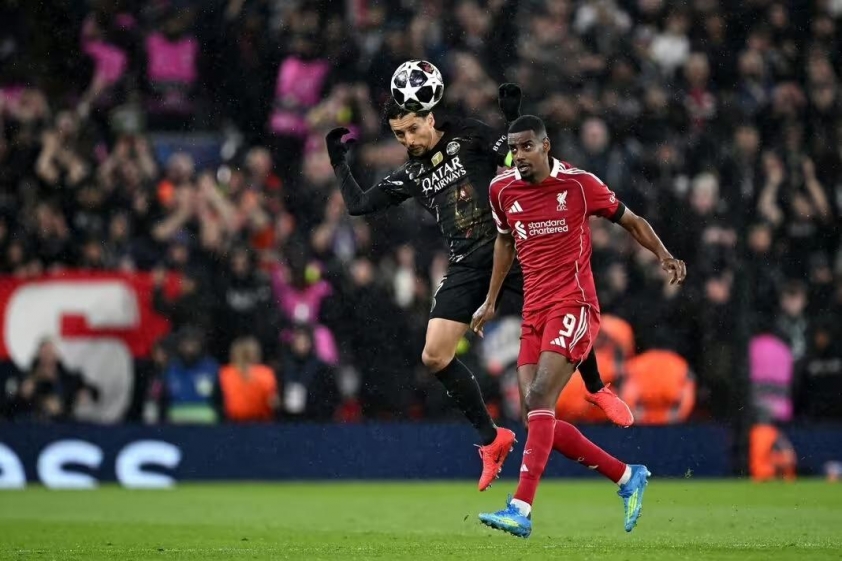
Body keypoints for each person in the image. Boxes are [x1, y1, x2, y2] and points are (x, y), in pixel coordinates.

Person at [325, 82, 632, 492]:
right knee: (434, 355)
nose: (408, 140)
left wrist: (512, 115)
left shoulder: (468, 136)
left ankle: (595, 387)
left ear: (430, 118)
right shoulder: (411, 174)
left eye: (413, 129)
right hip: (467, 265)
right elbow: (359, 205)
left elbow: (520, 158)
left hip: (511, 248)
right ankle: (492, 439)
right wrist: (338, 162)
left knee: (564, 303)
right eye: (399, 135)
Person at [471, 115, 687, 537]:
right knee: (535, 416)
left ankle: (520, 509)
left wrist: (663, 255)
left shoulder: (579, 184)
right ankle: (627, 476)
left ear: (546, 145)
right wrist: (491, 300)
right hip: (534, 310)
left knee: (539, 397)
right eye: (514, 148)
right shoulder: (501, 189)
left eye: (527, 146)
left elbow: (631, 220)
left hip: (575, 303)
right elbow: (504, 241)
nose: (520, 156)